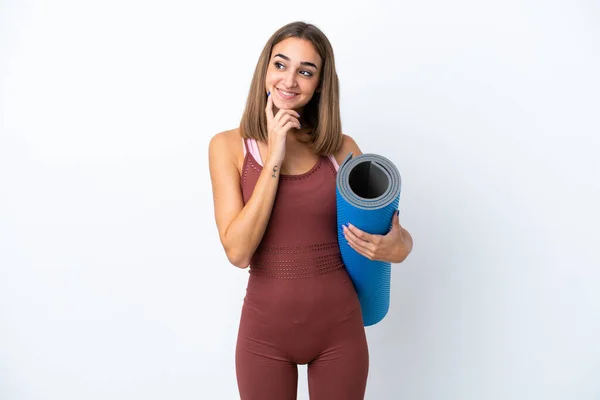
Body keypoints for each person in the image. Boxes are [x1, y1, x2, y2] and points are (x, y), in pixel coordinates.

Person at [208, 21, 413, 400]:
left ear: (320, 84)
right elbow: (237, 252)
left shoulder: (341, 148)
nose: (289, 80)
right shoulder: (228, 147)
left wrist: (397, 248)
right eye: (280, 65)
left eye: (306, 72)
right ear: (265, 70)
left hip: (339, 331)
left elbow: (395, 240)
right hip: (263, 336)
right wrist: (275, 152)